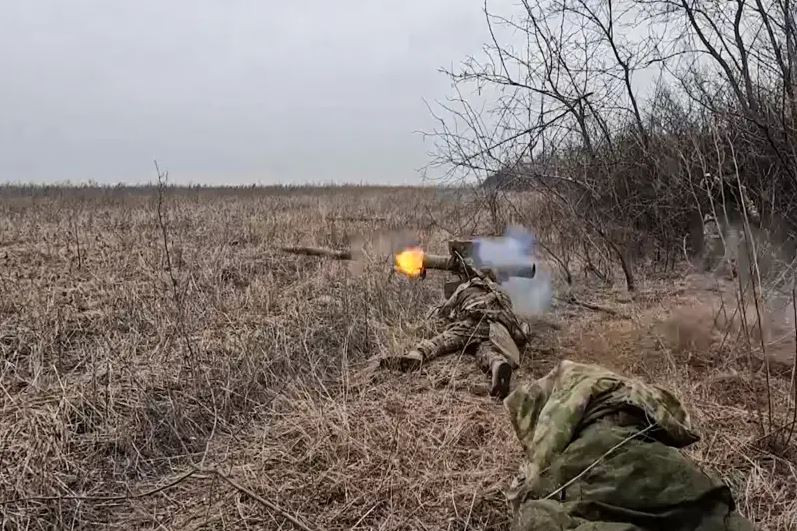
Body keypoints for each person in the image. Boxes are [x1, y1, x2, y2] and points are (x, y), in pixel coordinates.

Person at [503, 360, 754, 530]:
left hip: (602, 443)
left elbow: (542, 464)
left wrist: (523, 491)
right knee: (708, 511)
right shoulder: (609, 384)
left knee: (533, 517)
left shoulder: (562, 393)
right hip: (656, 451)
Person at [382, 273, 527, 399]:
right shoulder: (502, 293)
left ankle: (417, 354)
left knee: (442, 341)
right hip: (496, 329)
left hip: (472, 321)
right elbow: (518, 326)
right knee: (485, 350)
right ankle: (497, 364)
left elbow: (444, 311)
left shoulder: (465, 286)